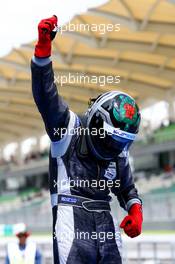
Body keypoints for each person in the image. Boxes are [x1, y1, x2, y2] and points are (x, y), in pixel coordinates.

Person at [31, 15, 143, 264]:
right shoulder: (67, 127)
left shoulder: (118, 151)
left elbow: (126, 188)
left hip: (106, 220)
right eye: (112, 139)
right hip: (71, 216)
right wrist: (42, 53)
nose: (115, 146)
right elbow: (46, 97)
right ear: (96, 123)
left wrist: (135, 209)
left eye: (121, 141)